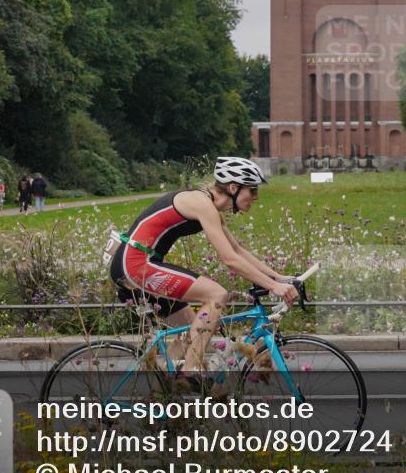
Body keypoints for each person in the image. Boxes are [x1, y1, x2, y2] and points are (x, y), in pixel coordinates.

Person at [110, 157, 298, 372]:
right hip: (135, 265)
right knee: (216, 295)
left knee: (191, 329)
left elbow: (238, 250)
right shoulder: (202, 203)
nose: (256, 197)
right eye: (252, 190)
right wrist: (274, 287)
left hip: (138, 264)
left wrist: (279, 278)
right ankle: (190, 374)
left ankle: (165, 383)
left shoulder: (209, 208)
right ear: (233, 187)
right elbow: (230, 260)